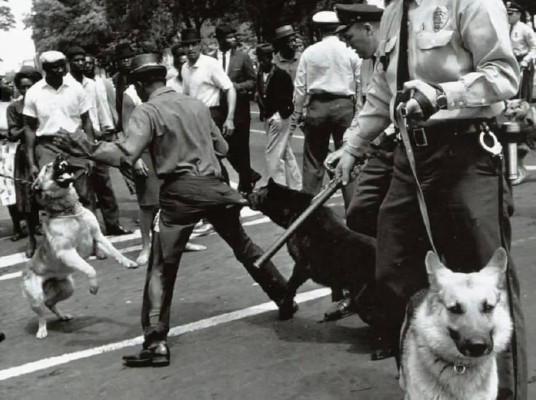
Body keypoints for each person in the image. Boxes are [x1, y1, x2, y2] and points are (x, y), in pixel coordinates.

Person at [335, 0, 526, 398]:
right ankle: (425, 385)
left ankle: (504, 393)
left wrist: (443, 95)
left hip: (466, 151)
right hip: (409, 158)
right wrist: (353, 146)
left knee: (489, 286)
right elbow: (381, 93)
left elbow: (506, 75)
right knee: (394, 272)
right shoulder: (391, 12)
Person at [52, 53, 294, 367]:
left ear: (139, 84)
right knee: (244, 246)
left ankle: (155, 344)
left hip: (180, 192)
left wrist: (85, 147)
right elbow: (221, 148)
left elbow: (126, 155)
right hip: (215, 186)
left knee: (161, 267)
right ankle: (284, 296)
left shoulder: (146, 111)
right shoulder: (196, 105)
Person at [291, 11, 361, 206]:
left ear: (319, 29)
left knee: (313, 161)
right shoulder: (349, 49)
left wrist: (298, 112)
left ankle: (308, 210)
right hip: (344, 105)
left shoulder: (310, 52)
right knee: (348, 156)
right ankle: (353, 210)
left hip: (317, 106)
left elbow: (300, 87)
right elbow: (359, 82)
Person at [66, 46, 133, 236]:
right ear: (69, 63)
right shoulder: (66, 86)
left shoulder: (93, 84)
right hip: (78, 143)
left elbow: (101, 108)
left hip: (97, 142)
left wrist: (107, 130)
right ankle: (92, 232)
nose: (80, 63)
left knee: (104, 184)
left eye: (82, 60)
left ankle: (113, 224)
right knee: (84, 190)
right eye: (76, 60)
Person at [23, 51, 94, 208]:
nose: (60, 70)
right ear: (45, 69)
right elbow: (29, 128)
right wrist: (32, 163)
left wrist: (90, 153)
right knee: (51, 195)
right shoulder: (33, 93)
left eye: (62, 66)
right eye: (55, 67)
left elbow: (87, 121)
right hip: (48, 146)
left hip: (76, 143)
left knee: (84, 194)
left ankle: (86, 229)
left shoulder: (76, 88)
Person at [211, 24, 261, 194]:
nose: (234, 40)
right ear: (219, 39)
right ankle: (249, 174)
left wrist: (235, 87)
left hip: (239, 110)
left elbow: (253, 82)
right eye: (229, 37)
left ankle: (245, 183)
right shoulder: (210, 59)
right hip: (218, 110)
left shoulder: (242, 57)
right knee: (224, 148)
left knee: (241, 147)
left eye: (234, 36)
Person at [5, 67, 42, 257]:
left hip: (44, 150)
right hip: (24, 154)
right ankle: (32, 241)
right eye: (22, 87)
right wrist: (27, 126)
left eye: (30, 86)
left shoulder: (44, 103)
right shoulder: (14, 108)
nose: (26, 91)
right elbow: (12, 134)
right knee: (28, 199)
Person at [255, 43, 302, 189]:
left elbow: (289, 95)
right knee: (285, 151)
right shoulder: (260, 74)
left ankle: (278, 186)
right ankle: (296, 184)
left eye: (268, 58)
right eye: (262, 59)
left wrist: (281, 113)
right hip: (269, 116)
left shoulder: (281, 75)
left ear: (272, 58)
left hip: (279, 117)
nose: (265, 61)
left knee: (272, 154)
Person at [506, 1, 536, 185]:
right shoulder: (503, 28)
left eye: (512, 12)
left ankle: (527, 130)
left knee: (522, 102)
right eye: (507, 12)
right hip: (509, 65)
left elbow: (535, 47)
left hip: (523, 65)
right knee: (509, 102)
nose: (509, 15)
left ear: (518, 13)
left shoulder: (524, 29)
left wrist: (525, 61)